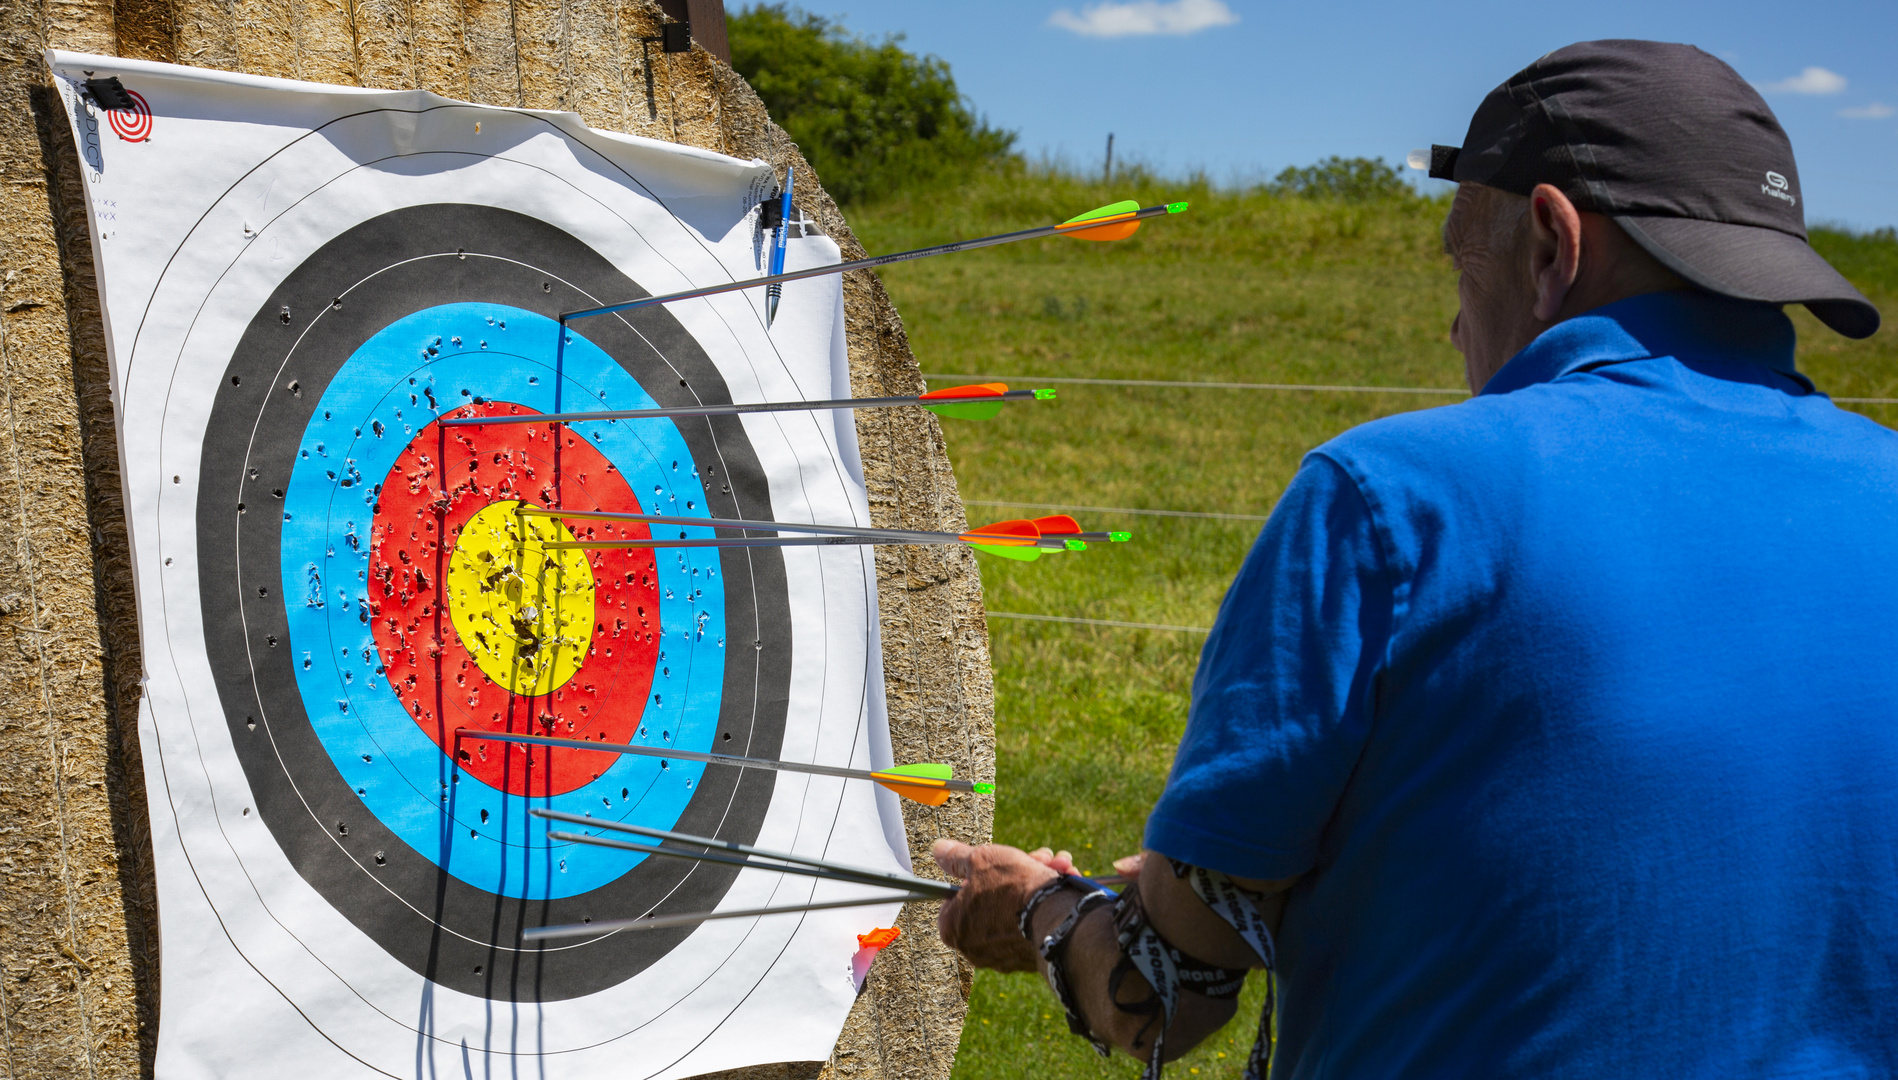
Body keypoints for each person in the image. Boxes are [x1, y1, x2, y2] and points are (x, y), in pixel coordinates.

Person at [931, 39, 1898, 1079]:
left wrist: (1032, 906)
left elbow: (1167, 991)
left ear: (1547, 245)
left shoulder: (1396, 494)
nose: (1451, 324)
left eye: (1459, 261)